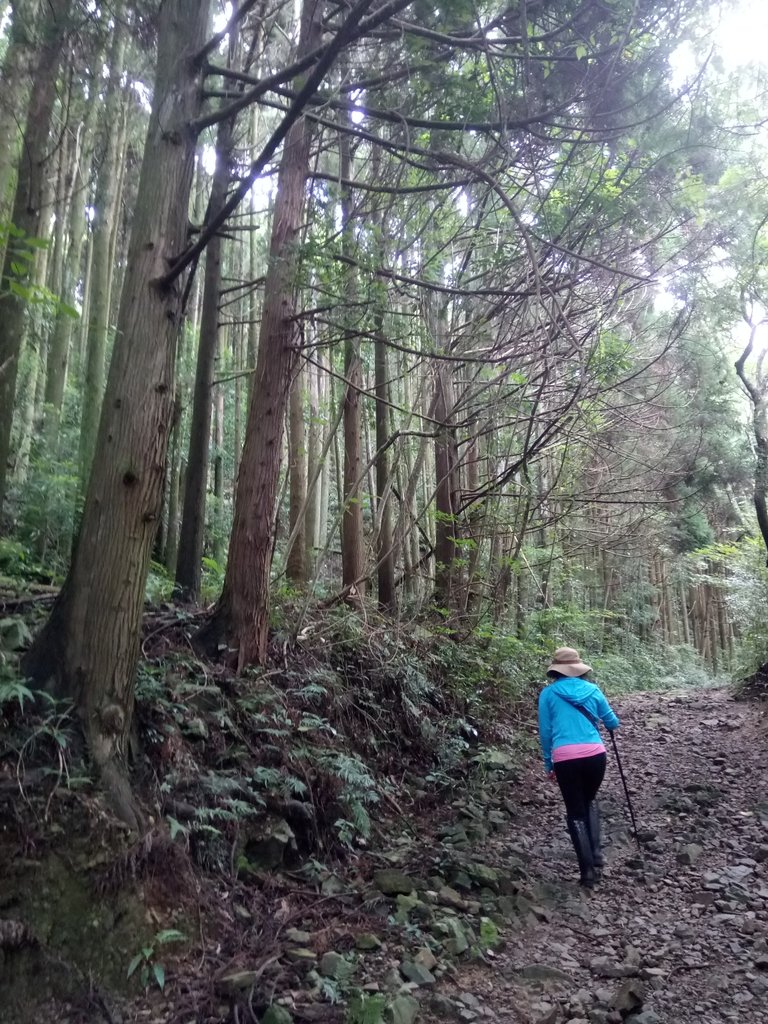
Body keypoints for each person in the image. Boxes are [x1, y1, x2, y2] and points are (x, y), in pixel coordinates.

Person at [538, 646, 620, 888]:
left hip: (565, 758)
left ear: (556, 670)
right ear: (579, 668)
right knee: (590, 800)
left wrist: (548, 762)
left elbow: (546, 733)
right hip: (596, 756)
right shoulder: (593, 690)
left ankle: (587, 874)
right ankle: (596, 855)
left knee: (575, 812)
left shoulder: (548, 694)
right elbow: (613, 722)